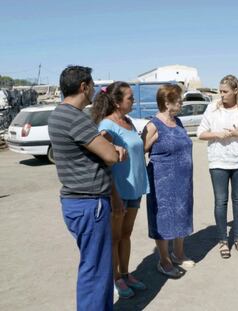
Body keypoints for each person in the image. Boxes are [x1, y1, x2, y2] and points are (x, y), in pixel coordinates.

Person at [48, 66, 126, 311]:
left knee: (95, 266)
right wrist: (115, 150)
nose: (93, 90)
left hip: (76, 201)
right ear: (83, 86)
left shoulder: (58, 114)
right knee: (95, 269)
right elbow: (110, 157)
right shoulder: (75, 117)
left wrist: (101, 142)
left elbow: (84, 150)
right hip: (90, 204)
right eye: (92, 85)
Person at [91, 82, 149, 299]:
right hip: (118, 192)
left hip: (135, 188)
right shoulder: (106, 127)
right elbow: (104, 162)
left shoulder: (129, 122)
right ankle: (115, 278)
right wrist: (113, 195)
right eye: (130, 98)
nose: (133, 101)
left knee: (126, 234)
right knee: (115, 237)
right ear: (116, 102)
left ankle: (125, 274)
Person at [197, 74, 238, 259]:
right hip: (218, 162)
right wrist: (217, 134)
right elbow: (201, 133)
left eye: (225, 91)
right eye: (220, 91)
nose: (221, 95)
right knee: (220, 202)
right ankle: (223, 241)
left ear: (235, 91)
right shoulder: (212, 108)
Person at [142, 84, 194, 278]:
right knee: (163, 218)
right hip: (161, 182)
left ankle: (178, 253)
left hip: (183, 181)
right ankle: (164, 260)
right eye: (178, 99)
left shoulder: (178, 121)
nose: (181, 102)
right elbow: (140, 151)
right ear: (166, 102)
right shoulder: (153, 125)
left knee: (182, 214)